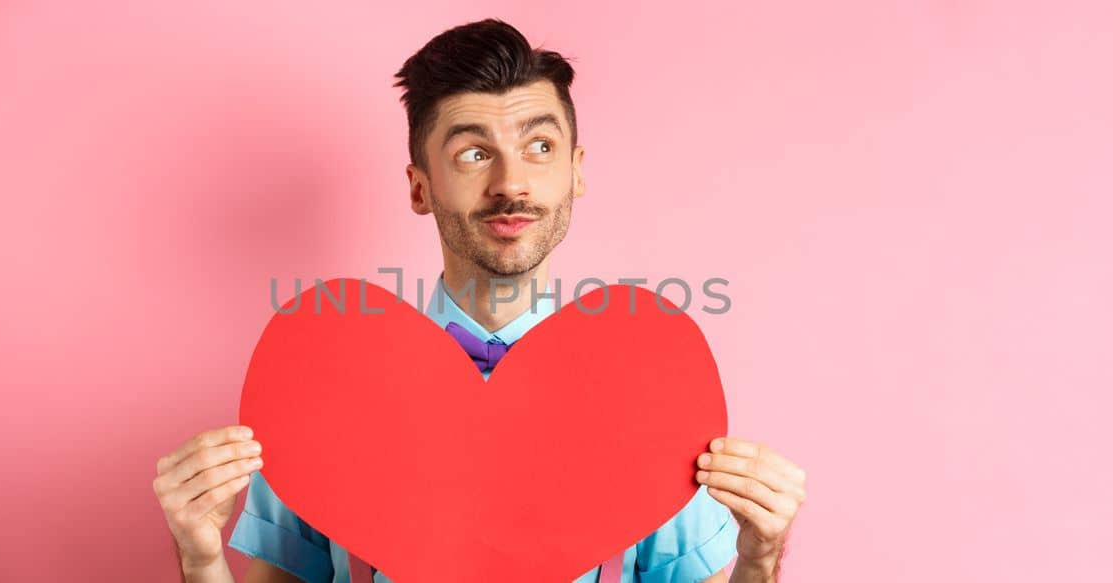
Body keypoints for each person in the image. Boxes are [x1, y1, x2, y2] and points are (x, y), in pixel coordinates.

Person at [152, 18, 807, 583]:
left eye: (540, 147)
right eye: (472, 152)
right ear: (420, 186)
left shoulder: (652, 388)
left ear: (576, 171)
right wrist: (199, 557)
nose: (511, 182)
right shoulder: (321, 380)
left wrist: (760, 559)